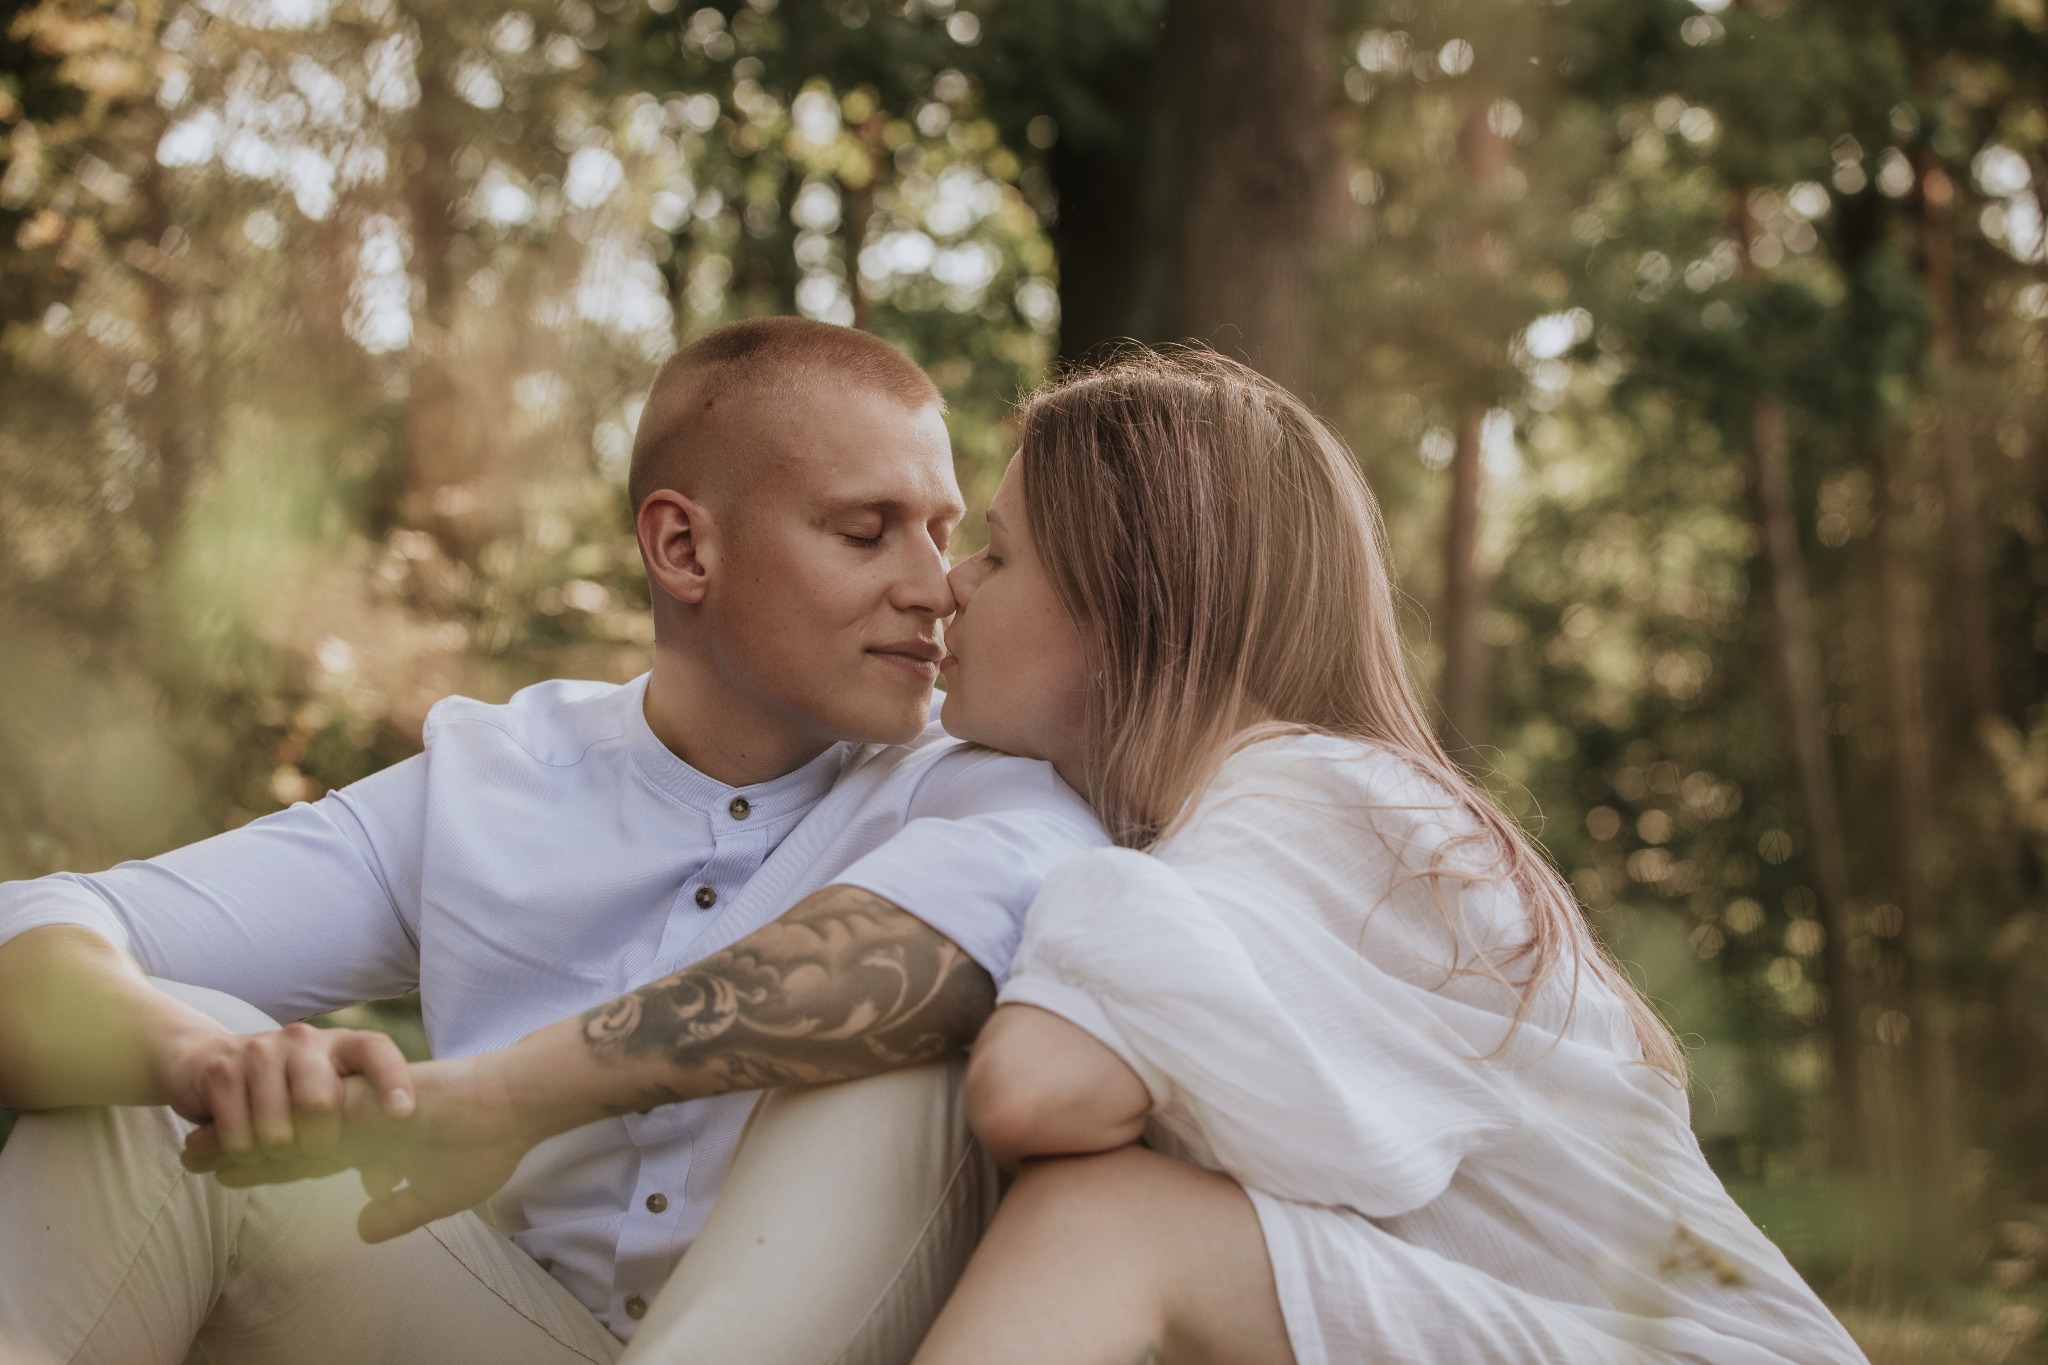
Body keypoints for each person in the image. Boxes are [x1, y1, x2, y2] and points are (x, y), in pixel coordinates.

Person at [0, 317, 1105, 1365]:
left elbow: (979, 926)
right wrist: (207, 1064)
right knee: (140, 1087)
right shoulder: (496, 779)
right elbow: (41, 932)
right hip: (509, 1327)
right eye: (864, 533)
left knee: (897, 1061)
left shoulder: (970, 786)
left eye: (942, 535)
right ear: (682, 548)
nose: (931, 588)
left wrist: (507, 1096)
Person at [909, 346, 1870, 1365]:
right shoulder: (1284, 822)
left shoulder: (1313, 795)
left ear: (1130, 607)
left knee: (1101, 1223)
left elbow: (1033, 1088)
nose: (947, 585)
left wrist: (1075, 887)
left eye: (998, 556)